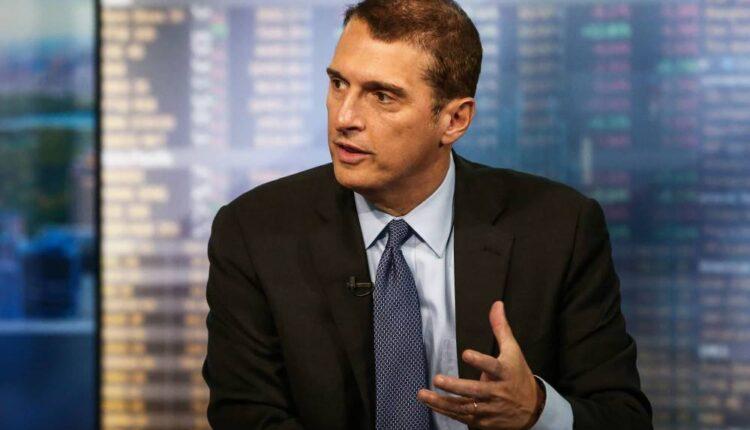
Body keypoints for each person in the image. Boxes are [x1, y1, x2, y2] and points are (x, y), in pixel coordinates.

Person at [201, 0, 652, 429]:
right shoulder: (254, 232)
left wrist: (536, 411)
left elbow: (623, 417)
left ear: (454, 120)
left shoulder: (560, 229)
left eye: (382, 96)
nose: (345, 117)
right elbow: (246, 416)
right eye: (339, 84)